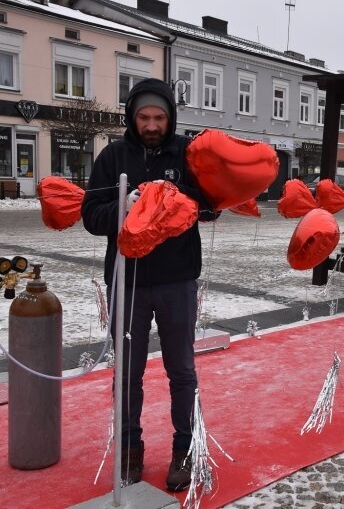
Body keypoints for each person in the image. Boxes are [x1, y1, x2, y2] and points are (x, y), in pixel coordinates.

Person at [81, 78, 217, 491]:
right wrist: (128, 203)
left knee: (182, 370)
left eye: (160, 117)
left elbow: (211, 204)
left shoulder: (188, 155)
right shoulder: (113, 156)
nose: (153, 124)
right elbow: (91, 215)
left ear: (170, 117)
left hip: (177, 280)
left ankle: (185, 448)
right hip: (128, 282)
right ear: (132, 117)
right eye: (145, 117)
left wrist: (181, 203)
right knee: (127, 373)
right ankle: (129, 449)